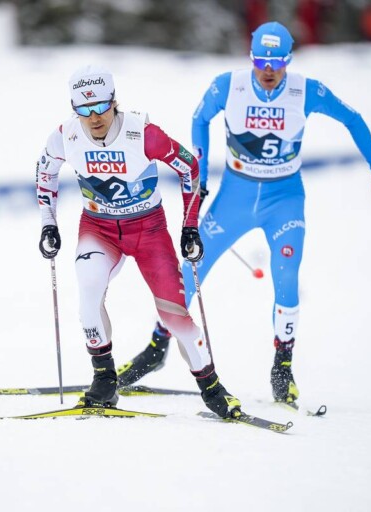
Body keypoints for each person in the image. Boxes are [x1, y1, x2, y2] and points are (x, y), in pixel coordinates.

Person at [118, 21, 371, 406]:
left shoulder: (306, 90)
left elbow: (352, 118)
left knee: (286, 272)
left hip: (284, 200)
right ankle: (157, 347)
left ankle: (282, 366)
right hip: (234, 197)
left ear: (288, 60)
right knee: (190, 269)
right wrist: (201, 172)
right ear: (252, 58)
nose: (269, 70)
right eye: (262, 62)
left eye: (277, 62)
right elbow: (200, 118)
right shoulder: (228, 86)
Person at [35, 65, 243, 419]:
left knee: (174, 316)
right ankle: (104, 379)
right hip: (99, 228)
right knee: (87, 295)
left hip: (148, 230)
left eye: (100, 107)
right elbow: (45, 172)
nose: (94, 117)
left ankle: (212, 389)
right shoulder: (64, 136)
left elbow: (189, 168)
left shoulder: (142, 133)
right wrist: (48, 224)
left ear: (114, 101)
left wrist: (189, 226)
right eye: (84, 109)